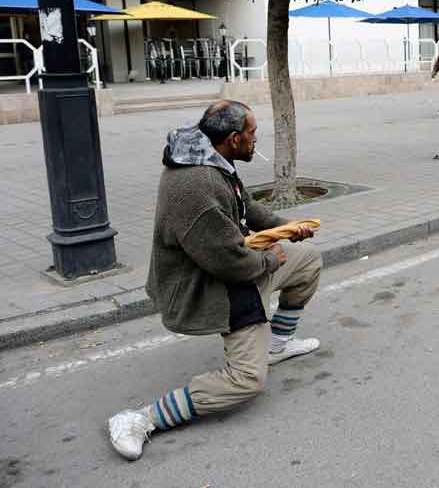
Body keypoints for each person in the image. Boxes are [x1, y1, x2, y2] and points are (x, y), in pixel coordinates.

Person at [107, 101, 322, 461]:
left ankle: (277, 345)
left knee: (308, 259)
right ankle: (141, 419)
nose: (256, 139)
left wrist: (288, 227)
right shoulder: (198, 186)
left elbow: (246, 207)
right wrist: (271, 259)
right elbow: (229, 263)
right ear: (235, 138)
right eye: (253, 133)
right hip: (212, 285)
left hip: (236, 264)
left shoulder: (211, 157)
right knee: (247, 381)